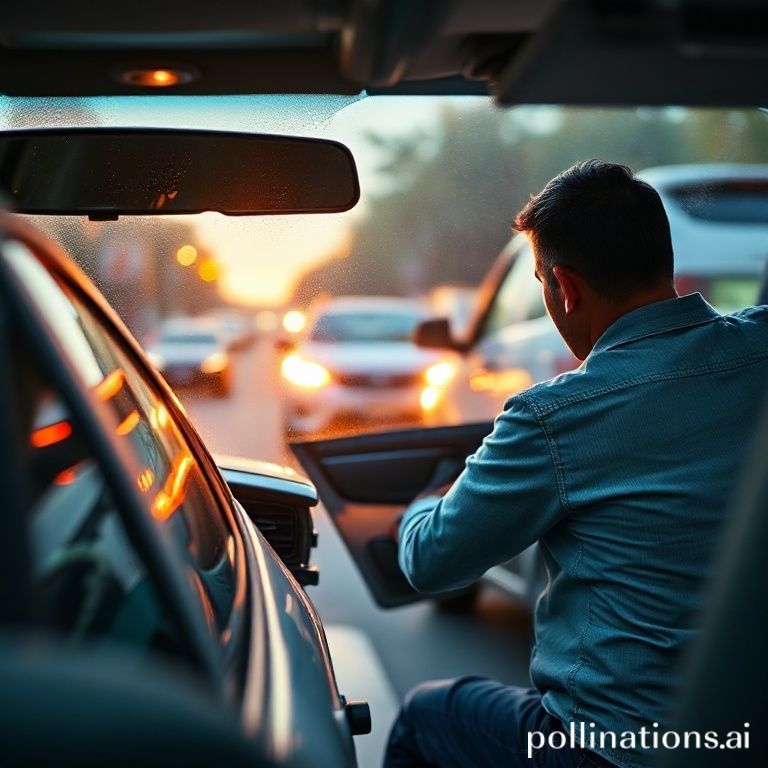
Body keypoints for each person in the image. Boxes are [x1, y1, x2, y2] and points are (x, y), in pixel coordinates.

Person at [384, 160, 768, 768]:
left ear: (564, 288)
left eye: (540, 281)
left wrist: (426, 504)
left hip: (618, 747)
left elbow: (431, 562)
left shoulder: (556, 417)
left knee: (424, 715)